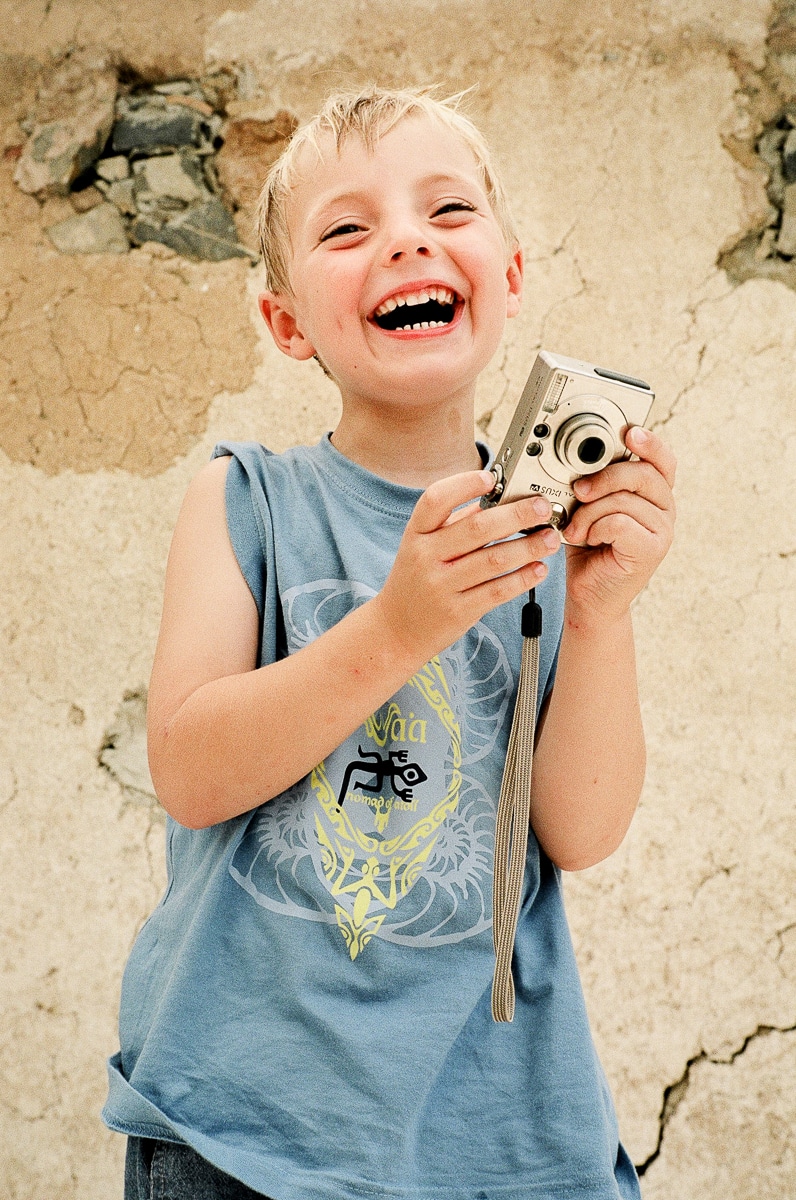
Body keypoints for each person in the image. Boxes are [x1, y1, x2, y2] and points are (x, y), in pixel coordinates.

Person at [103, 87, 676, 1200]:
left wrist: (601, 610)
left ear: (507, 277)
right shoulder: (246, 498)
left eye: (445, 209)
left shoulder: (552, 536)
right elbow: (189, 769)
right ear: (286, 323)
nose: (405, 238)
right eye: (346, 228)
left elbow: (581, 827)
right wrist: (401, 624)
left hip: (501, 1139)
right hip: (243, 1128)